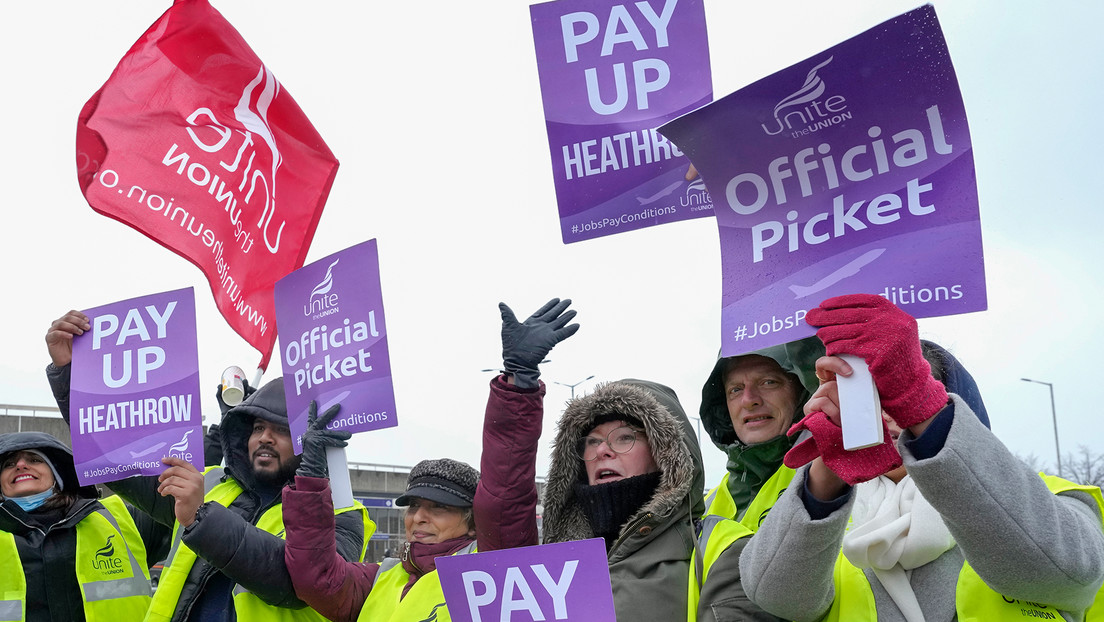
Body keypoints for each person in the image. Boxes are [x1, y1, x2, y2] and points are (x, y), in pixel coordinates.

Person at [740, 294, 1104, 621]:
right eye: (871, 402)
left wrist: (925, 410)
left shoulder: (1057, 498)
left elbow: (1067, 575)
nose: (887, 416)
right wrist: (827, 471)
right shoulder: (826, 514)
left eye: (900, 399)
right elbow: (778, 599)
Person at [44, 309, 370, 621]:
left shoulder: (341, 512)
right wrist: (71, 374)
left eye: (281, 430)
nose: (264, 438)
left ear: (307, 440)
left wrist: (201, 517)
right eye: (257, 428)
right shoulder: (210, 483)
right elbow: (120, 464)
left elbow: (297, 584)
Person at [476, 298, 782, 621]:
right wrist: (519, 385)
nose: (601, 451)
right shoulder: (557, 563)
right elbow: (502, 520)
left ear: (666, 454)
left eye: (624, 437)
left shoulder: (722, 552)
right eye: (591, 442)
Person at [283, 405, 483, 621]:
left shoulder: (488, 569)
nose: (418, 518)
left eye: (439, 507)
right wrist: (311, 477)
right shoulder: (380, 577)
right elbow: (317, 578)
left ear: (472, 523)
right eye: (414, 505)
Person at [0, 431, 167, 621]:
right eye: (9, 464)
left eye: (35, 460)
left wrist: (210, 440)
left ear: (57, 475)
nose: (21, 465)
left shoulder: (122, 520)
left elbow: (178, 509)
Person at [697, 336, 823, 531]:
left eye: (769, 382)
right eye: (735, 389)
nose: (748, 400)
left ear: (802, 392)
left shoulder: (840, 476)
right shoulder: (703, 511)